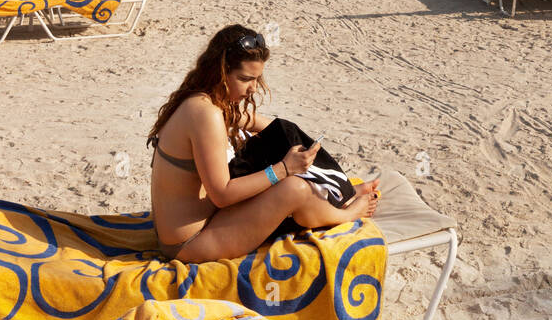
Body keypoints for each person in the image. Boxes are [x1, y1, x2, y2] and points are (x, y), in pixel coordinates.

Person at [147, 25, 380, 263]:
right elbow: (222, 195)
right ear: (219, 72)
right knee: (293, 188)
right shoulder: (205, 114)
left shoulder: (200, 99)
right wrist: (284, 168)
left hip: (198, 225)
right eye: (245, 79)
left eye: (257, 79)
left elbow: (265, 125)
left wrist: (288, 141)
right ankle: (347, 213)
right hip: (189, 244)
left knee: (279, 141)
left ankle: (336, 193)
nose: (253, 89)